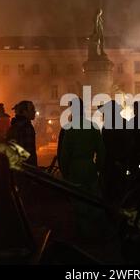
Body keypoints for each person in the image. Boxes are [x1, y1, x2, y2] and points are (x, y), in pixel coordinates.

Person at [60, 97, 106, 240]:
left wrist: (65, 172)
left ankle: (84, 233)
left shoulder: (70, 129)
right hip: (90, 168)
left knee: (78, 202)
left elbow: (64, 154)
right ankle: (97, 231)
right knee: (93, 198)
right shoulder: (93, 127)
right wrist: (98, 167)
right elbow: (101, 151)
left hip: (75, 170)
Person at [101, 100, 133, 205]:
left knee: (112, 192)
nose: (103, 115)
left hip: (114, 164)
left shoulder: (108, 126)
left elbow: (105, 145)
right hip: (120, 163)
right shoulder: (123, 123)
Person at [6, 101, 38, 166]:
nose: (34, 111)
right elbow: (27, 152)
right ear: (24, 112)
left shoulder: (15, 125)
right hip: (26, 169)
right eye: (32, 109)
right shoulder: (26, 127)